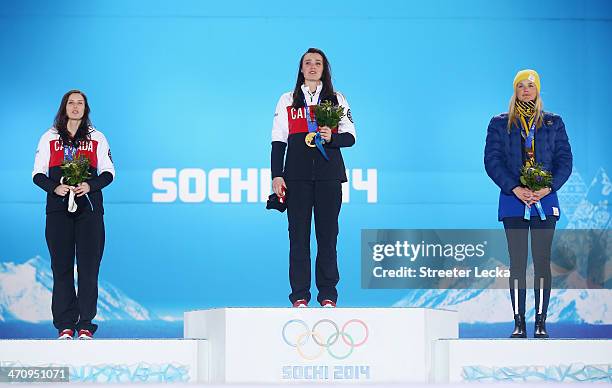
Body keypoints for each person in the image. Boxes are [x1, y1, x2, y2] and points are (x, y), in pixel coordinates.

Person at [484, 70, 572, 338]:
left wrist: (547, 187)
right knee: (518, 263)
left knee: (543, 262)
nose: (525, 90)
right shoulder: (499, 124)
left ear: (538, 90)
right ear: (514, 90)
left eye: (530, 86)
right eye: (520, 86)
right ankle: (519, 322)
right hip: (513, 201)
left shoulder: (553, 122)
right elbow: (492, 161)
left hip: (546, 201)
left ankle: (541, 322)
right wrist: (515, 188)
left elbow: (565, 161)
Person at [270, 48, 356, 308]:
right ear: (301, 68)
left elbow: (351, 136)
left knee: (328, 237)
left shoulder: (337, 99)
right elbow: (278, 141)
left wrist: (332, 138)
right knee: (298, 238)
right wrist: (277, 176)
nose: (312, 67)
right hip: (296, 178)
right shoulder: (287, 99)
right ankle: (299, 296)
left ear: (324, 69)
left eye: (318, 63)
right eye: (308, 63)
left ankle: (328, 295)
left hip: (329, 178)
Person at [33, 90, 115, 339]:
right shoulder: (49, 137)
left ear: (86, 108)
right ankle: (65, 325)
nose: (76, 107)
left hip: (89, 210)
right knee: (62, 268)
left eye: (80, 103)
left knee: (89, 268)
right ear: (64, 107)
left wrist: (89, 186)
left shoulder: (97, 137)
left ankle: (86, 324)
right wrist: (56, 187)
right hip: (58, 211)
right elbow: (37, 174)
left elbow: (109, 172)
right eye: (71, 103)